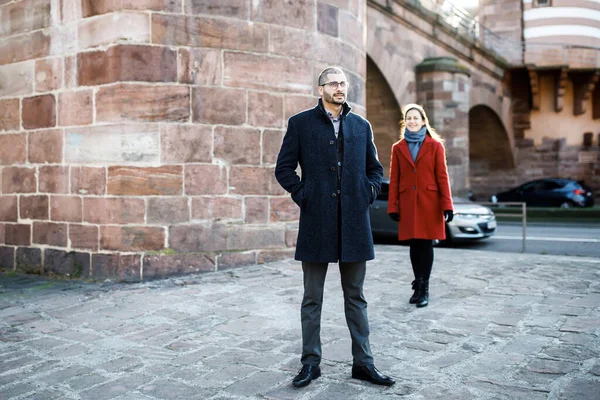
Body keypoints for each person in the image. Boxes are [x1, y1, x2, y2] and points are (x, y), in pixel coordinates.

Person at [275, 66, 394, 388]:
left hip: (354, 222)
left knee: (356, 296)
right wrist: (305, 195)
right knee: (312, 298)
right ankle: (310, 364)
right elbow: (283, 168)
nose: (340, 88)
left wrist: (367, 193)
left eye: (344, 83)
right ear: (320, 89)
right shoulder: (300, 124)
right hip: (317, 221)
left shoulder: (361, 125)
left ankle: (364, 364)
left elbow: (375, 168)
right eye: (333, 83)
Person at [387, 104, 454, 308]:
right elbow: (394, 179)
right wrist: (393, 206)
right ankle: (418, 285)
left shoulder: (435, 146)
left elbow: (442, 177)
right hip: (408, 203)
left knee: (425, 244)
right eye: (409, 118)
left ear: (423, 121)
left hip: (429, 203)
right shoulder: (398, 148)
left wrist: (447, 205)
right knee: (414, 245)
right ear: (405, 122)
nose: (412, 121)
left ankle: (424, 287)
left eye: (416, 118)